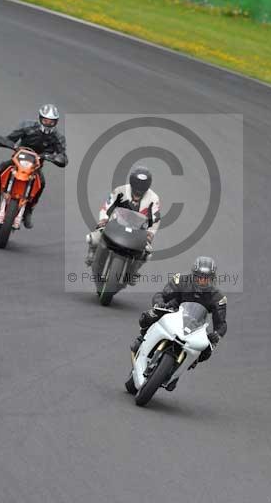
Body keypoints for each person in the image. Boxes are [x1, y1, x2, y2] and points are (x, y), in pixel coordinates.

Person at [131, 256, 227, 390]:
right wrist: (160, 303)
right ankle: (142, 338)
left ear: (212, 279)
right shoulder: (181, 280)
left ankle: (181, 368)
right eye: (199, 277)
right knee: (150, 315)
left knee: (207, 349)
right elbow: (161, 295)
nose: (202, 281)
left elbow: (221, 323)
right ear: (193, 276)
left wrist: (217, 335)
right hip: (174, 312)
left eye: (206, 278)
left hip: (196, 325)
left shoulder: (218, 297)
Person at [0, 104, 68, 228]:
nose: (48, 123)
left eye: (51, 121)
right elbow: (8, 138)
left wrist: (53, 157)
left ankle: (28, 211)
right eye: (45, 120)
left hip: (35, 167)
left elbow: (63, 156)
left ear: (56, 122)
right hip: (17, 161)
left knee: (41, 184)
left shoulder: (58, 137)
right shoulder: (27, 126)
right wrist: (11, 145)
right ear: (40, 118)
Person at [85, 166, 161, 269]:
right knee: (92, 238)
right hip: (115, 225)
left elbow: (155, 218)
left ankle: (134, 270)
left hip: (138, 232)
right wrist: (103, 220)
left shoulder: (154, 198)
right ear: (132, 183)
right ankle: (92, 252)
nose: (138, 191)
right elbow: (107, 206)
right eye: (136, 186)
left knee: (147, 254)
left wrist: (150, 233)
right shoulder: (120, 191)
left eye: (142, 188)